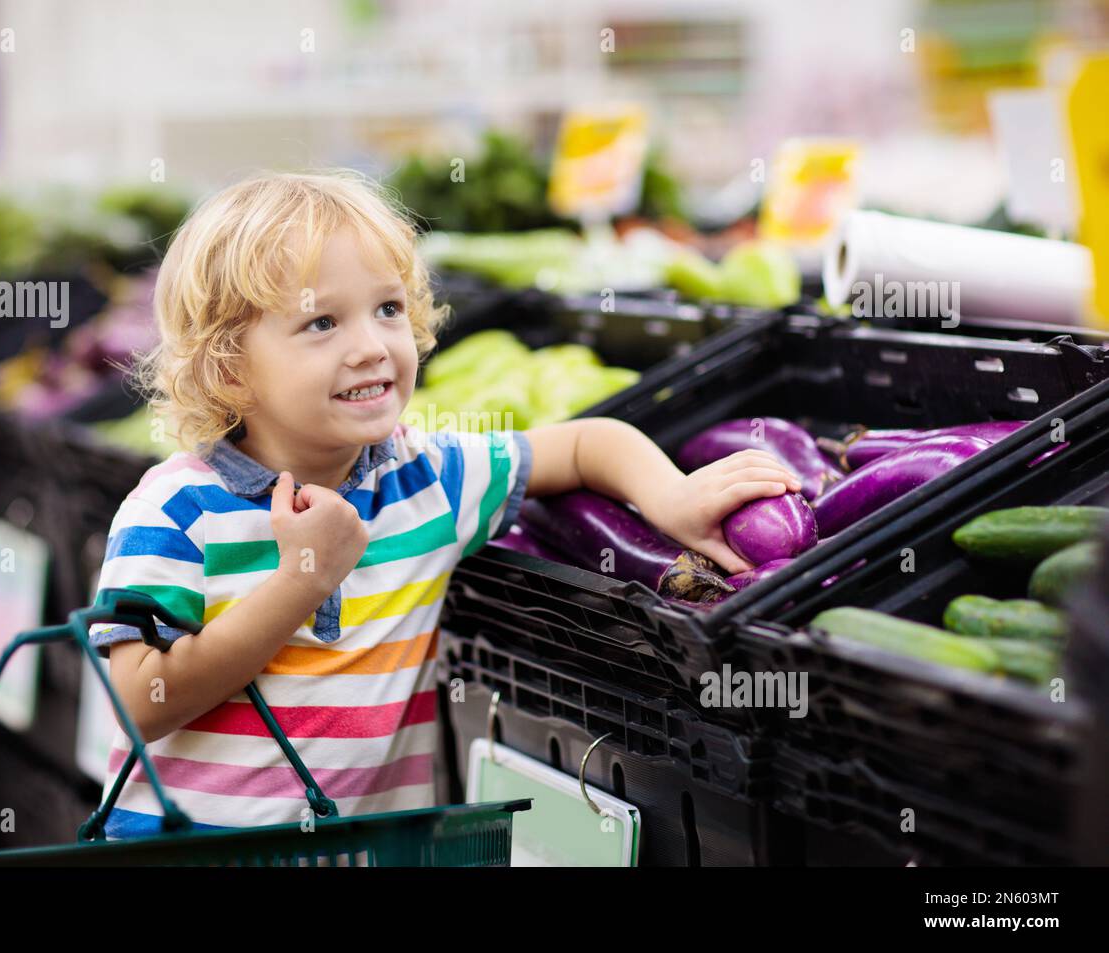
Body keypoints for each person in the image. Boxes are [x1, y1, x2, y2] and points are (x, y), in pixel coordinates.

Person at [88, 169, 800, 837]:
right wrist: (302, 580)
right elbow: (139, 702)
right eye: (322, 323)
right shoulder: (176, 511)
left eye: (388, 309)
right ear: (231, 368)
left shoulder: (427, 478)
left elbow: (586, 445)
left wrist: (671, 496)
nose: (371, 346)